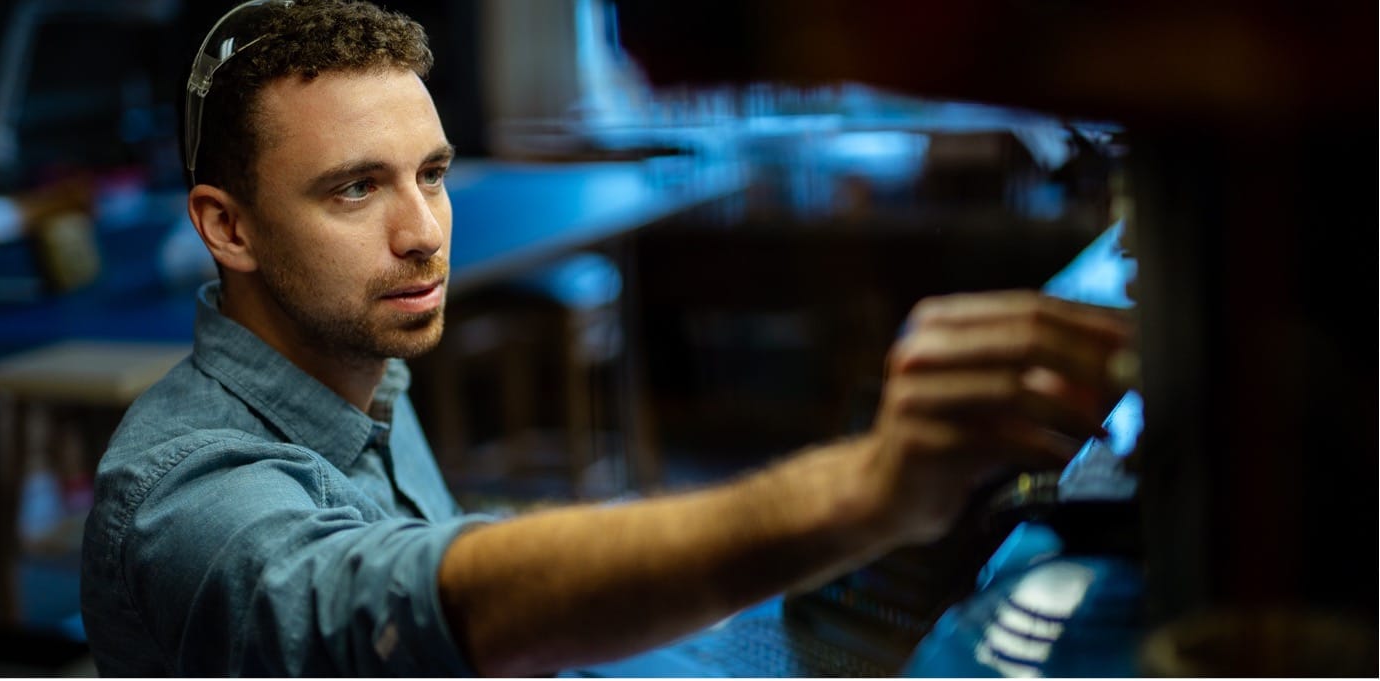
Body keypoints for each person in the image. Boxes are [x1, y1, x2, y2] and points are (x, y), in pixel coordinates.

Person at [79, 0, 1133, 675]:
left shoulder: (357, 379)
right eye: (356, 188)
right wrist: (861, 489)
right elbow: (382, 608)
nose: (421, 235)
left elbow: (437, 558)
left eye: (432, 174)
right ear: (227, 226)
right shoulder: (184, 492)